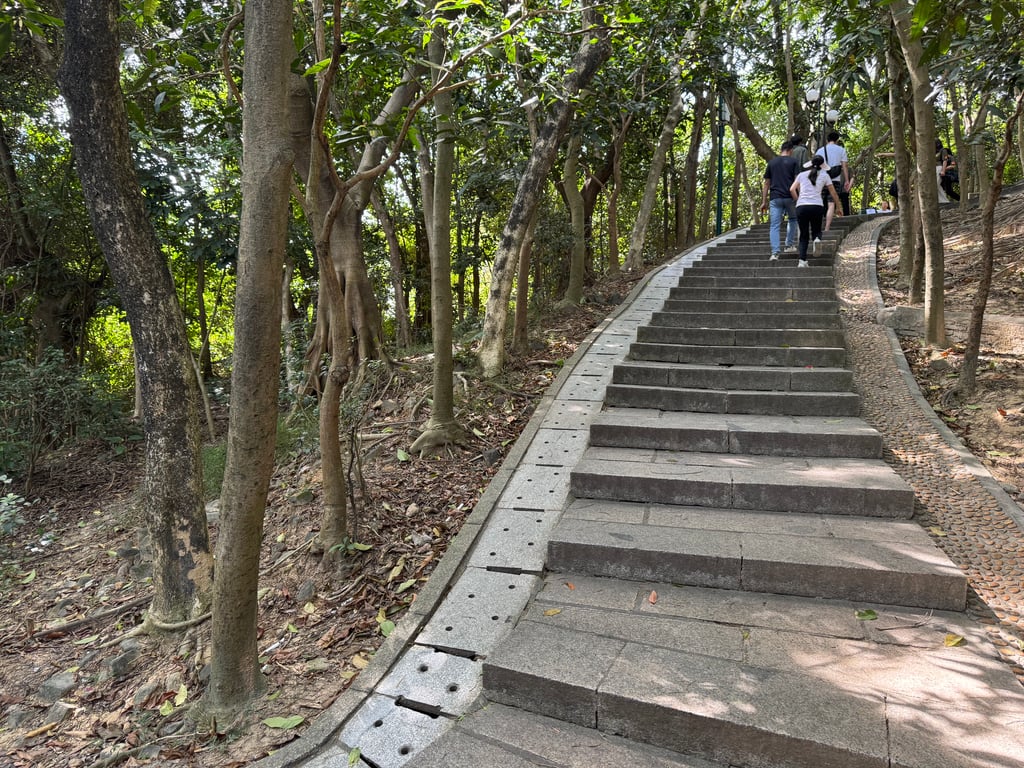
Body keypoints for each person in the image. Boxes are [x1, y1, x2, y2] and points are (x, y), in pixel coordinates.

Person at [790, 155, 842, 268]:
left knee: (803, 235)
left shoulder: (801, 175)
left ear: (810, 163)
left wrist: (798, 199)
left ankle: (802, 261)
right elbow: (833, 193)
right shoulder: (825, 175)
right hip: (817, 206)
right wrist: (838, 207)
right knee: (816, 229)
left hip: (802, 207)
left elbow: (792, 189)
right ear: (823, 165)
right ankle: (817, 239)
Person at [760, 140, 800, 261]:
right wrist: (801, 196)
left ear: (781, 150)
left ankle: (775, 253)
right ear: (791, 150)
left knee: (774, 225)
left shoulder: (772, 163)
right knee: (793, 219)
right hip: (790, 197)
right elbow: (797, 181)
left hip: (775, 198)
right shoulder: (794, 162)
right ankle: (788, 245)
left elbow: (767, 183)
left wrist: (764, 201)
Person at [816, 132, 851, 218]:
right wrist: (847, 180)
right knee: (831, 202)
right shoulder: (841, 150)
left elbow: (816, 165)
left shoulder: (820, 150)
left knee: (822, 200)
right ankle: (828, 224)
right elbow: (845, 166)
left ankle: (822, 219)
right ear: (837, 140)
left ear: (827, 140)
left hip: (822, 178)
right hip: (835, 178)